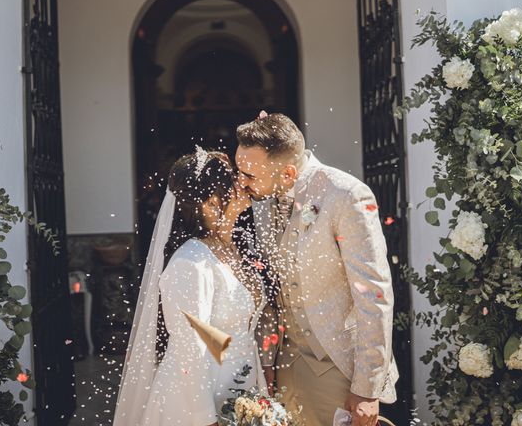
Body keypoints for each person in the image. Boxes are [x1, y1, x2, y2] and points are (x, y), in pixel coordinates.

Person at [235, 113, 399, 426]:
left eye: (249, 175)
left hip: (338, 367)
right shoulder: (262, 199)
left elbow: (374, 295)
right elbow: (273, 289)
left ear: (288, 173)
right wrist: (267, 362)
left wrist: (366, 389)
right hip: (285, 365)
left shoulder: (346, 195)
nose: (241, 182)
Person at [113, 148, 268, 426]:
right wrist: (206, 419)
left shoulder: (233, 248)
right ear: (210, 203)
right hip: (195, 403)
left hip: (239, 389)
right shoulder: (190, 262)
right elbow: (189, 349)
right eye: (232, 181)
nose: (242, 183)